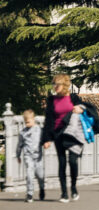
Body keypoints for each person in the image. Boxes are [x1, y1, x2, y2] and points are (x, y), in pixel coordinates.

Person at [42, 74, 87, 202]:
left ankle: (73, 187)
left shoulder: (73, 98)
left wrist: (80, 109)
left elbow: (84, 108)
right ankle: (64, 193)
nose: (55, 87)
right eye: (54, 84)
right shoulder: (51, 100)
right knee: (62, 163)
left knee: (73, 161)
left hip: (73, 134)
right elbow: (48, 120)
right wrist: (46, 139)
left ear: (65, 85)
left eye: (58, 84)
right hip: (58, 134)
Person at [17, 109, 45, 202]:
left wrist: (46, 143)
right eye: (25, 122)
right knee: (29, 174)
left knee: (40, 175)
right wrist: (18, 155)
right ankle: (29, 193)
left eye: (28, 122)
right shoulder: (23, 132)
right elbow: (19, 145)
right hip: (28, 156)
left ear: (33, 119)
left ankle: (42, 188)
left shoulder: (39, 130)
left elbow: (44, 139)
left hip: (38, 157)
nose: (27, 124)